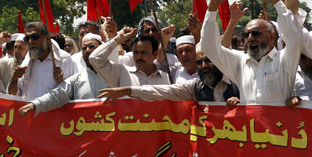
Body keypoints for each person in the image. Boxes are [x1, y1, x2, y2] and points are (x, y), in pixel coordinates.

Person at [200, 0, 304, 104]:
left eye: (256, 33)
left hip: (280, 125)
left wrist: (276, 2)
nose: (250, 38)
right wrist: (212, 9)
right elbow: (209, 47)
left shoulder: (285, 59)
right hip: (250, 126)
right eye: (246, 35)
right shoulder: (240, 63)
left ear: (272, 36)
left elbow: (294, 36)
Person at [98, 50, 240, 106]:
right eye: (199, 63)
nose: (204, 66)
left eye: (208, 60)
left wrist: (241, 103)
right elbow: (160, 91)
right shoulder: (194, 87)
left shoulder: (237, 83)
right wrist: (128, 91)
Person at [18, 33, 109, 116]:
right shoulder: (77, 79)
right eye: (84, 48)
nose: (88, 51)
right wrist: (35, 104)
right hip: (85, 128)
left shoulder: (117, 73)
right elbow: (57, 95)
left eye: (92, 46)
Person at [9, 22, 75, 100]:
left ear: (47, 39)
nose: (30, 42)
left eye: (35, 37)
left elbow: (74, 93)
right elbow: (12, 94)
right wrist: (14, 79)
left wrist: (61, 82)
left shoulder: (64, 59)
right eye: (27, 38)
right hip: (30, 111)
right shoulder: (27, 62)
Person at [89, 27, 170, 87]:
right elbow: (94, 58)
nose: (139, 56)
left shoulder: (166, 78)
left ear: (155, 55)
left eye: (143, 52)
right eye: (136, 52)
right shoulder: (121, 73)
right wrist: (117, 39)